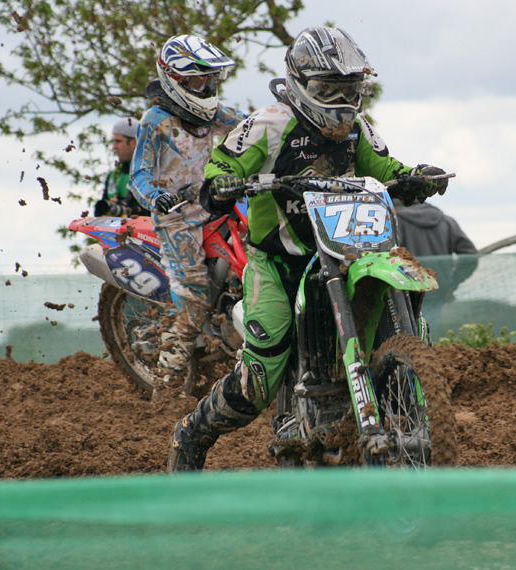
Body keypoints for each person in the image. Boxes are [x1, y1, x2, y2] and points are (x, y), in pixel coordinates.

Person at [169, 26, 449, 472]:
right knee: (260, 378)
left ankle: (406, 395)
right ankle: (193, 433)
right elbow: (223, 162)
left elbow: (385, 168)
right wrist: (223, 182)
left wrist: (414, 177)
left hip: (347, 254)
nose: (340, 101)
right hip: (279, 265)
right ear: (300, 84)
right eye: (328, 89)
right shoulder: (269, 124)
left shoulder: (357, 129)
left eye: (349, 90)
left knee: (400, 306)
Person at [129, 34, 244, 380]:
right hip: (177, 218)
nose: (205, 87)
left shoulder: (213, 113)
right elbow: (138, 174)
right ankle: (166, 386)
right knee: (194, 302)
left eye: (210, 79)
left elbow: (251, 127)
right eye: (197, 81)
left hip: (216, 204)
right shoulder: (156, 120)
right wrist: (156, 197)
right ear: (175, 79)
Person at [394, 199, 479, 331]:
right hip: (438, 290)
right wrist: (451, 283)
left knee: (401, 337)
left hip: (405, 293)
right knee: (426, 334)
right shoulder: (446, 221)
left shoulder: (394, 221)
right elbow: (471, 256)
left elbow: (391, 253)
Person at [94, 118, 148, 217]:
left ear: (134, 143)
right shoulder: (113, 176)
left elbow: (154, 212)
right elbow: (99, 214)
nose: (114, 147)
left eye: (118, 141)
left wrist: (128, 211)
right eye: (113, 142)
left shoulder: (149, 174)